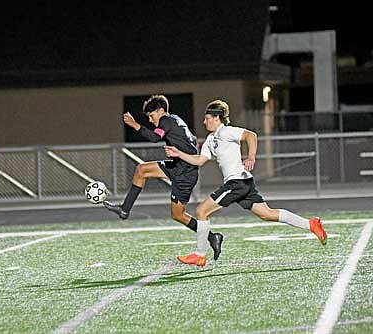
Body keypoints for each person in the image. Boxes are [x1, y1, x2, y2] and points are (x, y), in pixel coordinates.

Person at [164, 99, 328, 267]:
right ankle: (311, 224)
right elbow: (199, 160)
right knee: (267, 214)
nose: (204, 121)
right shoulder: (210, 140)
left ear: (217, 118)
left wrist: (251, 156)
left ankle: (200, 254)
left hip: (237, 182)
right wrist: (179, 154)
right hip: (242, 182)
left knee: (201, 211)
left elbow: (251, 136)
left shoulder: (226, 132)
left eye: (207, 118)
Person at [103, 94, 224, 260]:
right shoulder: (174, 119)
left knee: (178, 215)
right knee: (141, 170)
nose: (151, 120)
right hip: (177, 166)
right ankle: (125, 209)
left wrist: (134, 125)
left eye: (152, 116)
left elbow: (154, 137)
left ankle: (212, 237)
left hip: (184, 174)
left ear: (161, 111)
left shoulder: (166, 121)